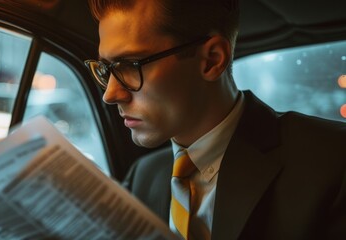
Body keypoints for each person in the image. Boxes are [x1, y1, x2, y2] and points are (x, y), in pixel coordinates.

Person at [84, 0, 346, 239]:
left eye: (129, 66)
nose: (110, 94)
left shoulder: (333, 160)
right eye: (106, 70)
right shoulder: (144, 176)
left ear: (212, 60)